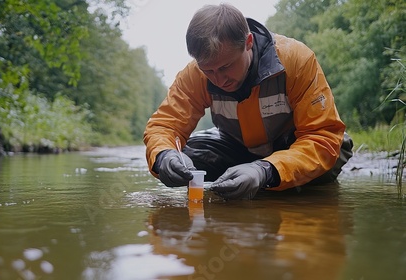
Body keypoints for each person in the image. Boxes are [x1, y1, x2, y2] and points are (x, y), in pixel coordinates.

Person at [143, 3, 353, 200]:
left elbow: (321, 136)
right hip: (238, 147)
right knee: (187, 156)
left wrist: (266, 170)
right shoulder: (195, 74)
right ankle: (245, 177)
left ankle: (267, 176)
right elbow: (164, 126)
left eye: (226, 67)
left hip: (291, 146)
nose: (219, 79)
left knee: (330, 157)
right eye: (208, 70)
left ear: (248, 43)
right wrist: (164, 156)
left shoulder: (296, 60)